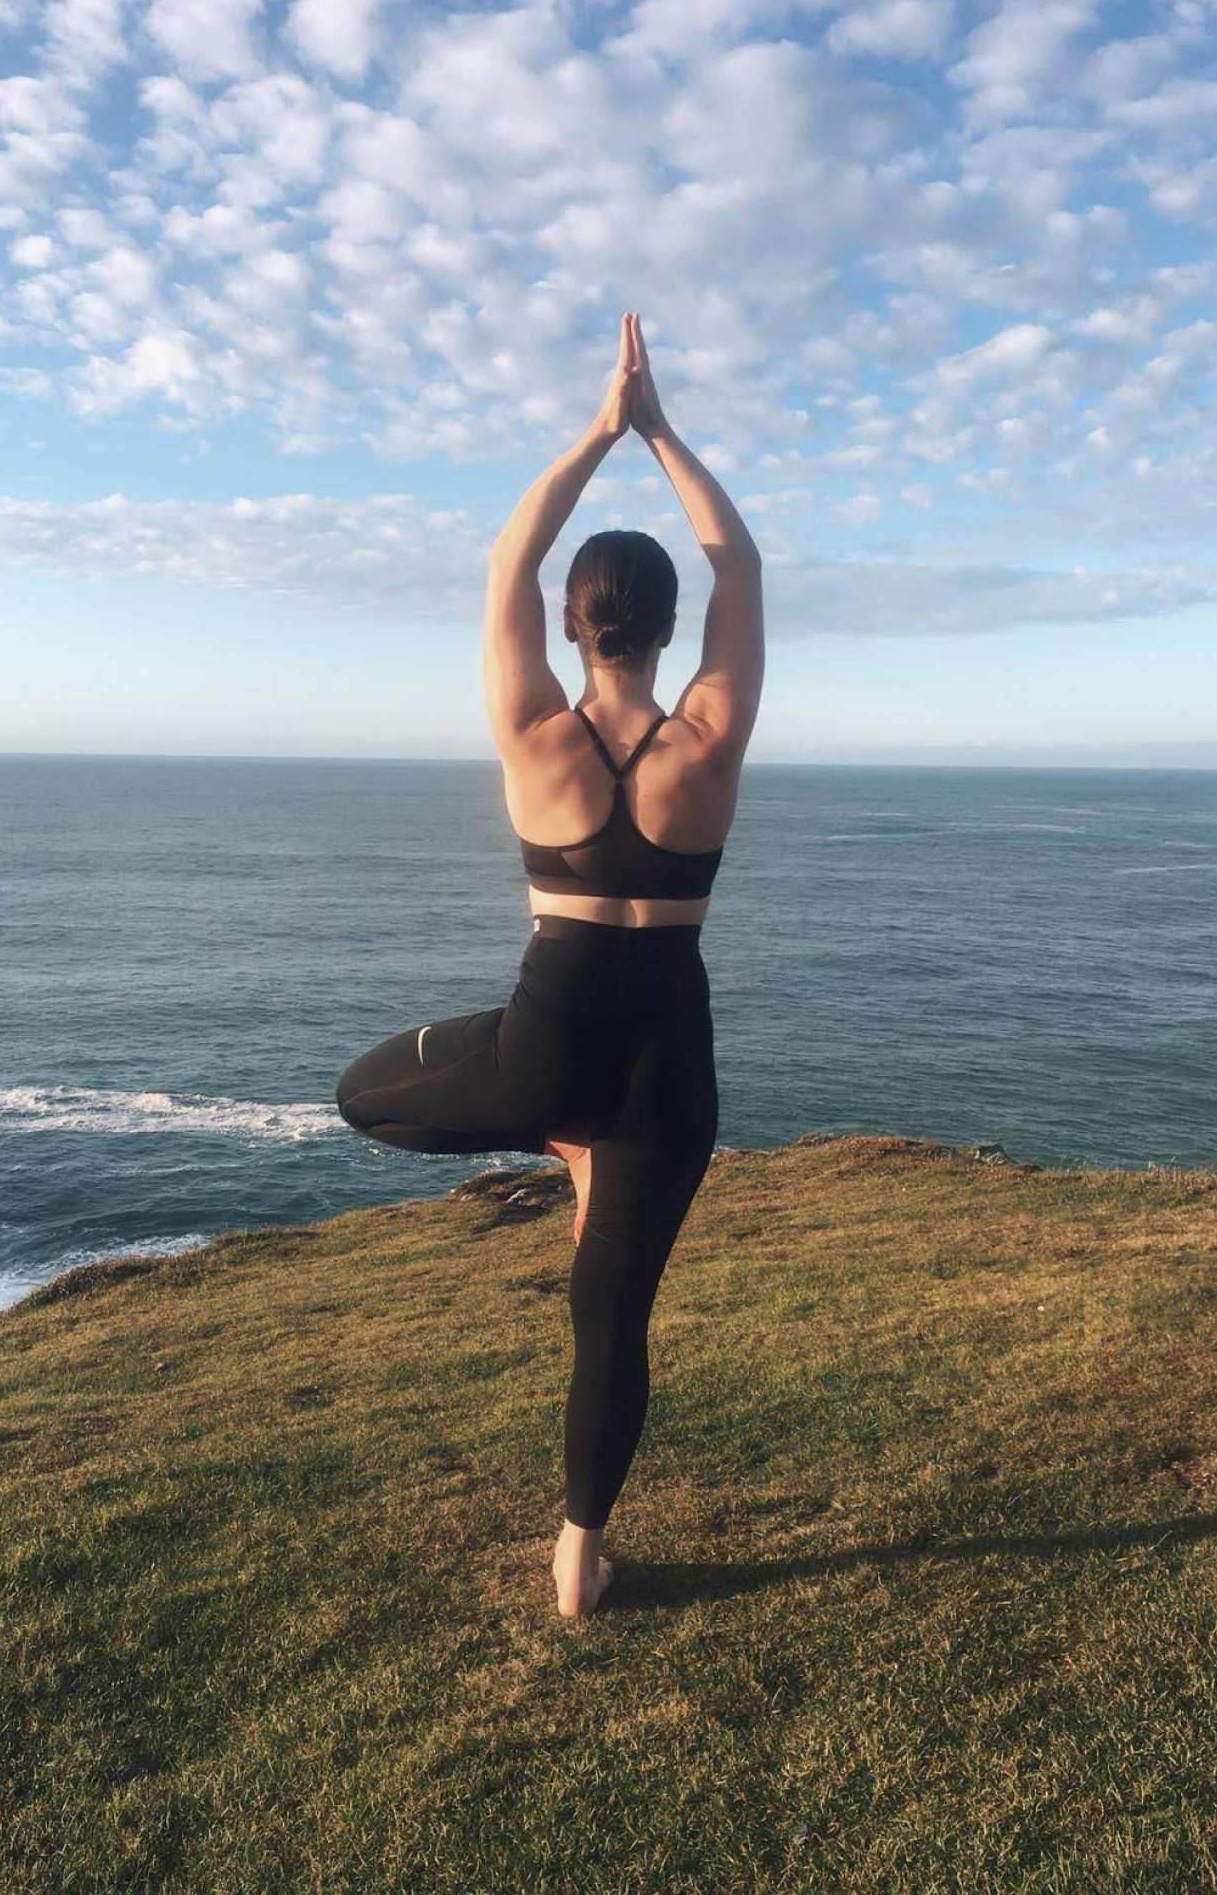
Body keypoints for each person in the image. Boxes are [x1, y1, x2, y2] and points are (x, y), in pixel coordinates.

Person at [336, 313, 764, 1617]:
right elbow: (739, 561)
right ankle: (580, 1557)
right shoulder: (713, 734)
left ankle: (554, 1138)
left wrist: (598, 429)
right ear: (667, 626)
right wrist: (665, 433)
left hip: (539, 1054)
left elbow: (508, 559)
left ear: (575, 625)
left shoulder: (531, 728)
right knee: (611, 1321)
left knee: (365, 1093)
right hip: (667, 1069)